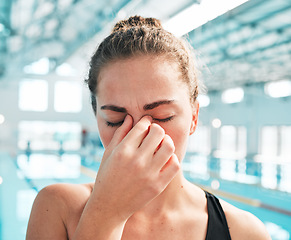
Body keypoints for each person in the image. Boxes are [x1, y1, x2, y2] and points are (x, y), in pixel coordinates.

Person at [26, 16, 271, 240]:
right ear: (97, 118)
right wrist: (106, 212)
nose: (138, 135)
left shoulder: (245, 232)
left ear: (194, 117)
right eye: (115, 120)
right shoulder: (56, 207)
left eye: (162, 116)